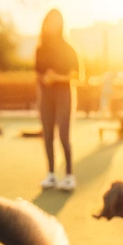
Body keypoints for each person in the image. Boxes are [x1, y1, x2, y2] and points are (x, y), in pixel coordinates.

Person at [36, 10, 82, 190]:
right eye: (50, 21)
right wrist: (44, 81)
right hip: (45, 96)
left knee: (64, 135)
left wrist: (57, 78)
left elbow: (77, 75)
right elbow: (37, 74)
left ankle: (69, 176)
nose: (52, 25)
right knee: (47, 135)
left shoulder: (69, 48)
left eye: (56, 21)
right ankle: (51, 175)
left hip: (64, 94)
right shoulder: (41, 48)